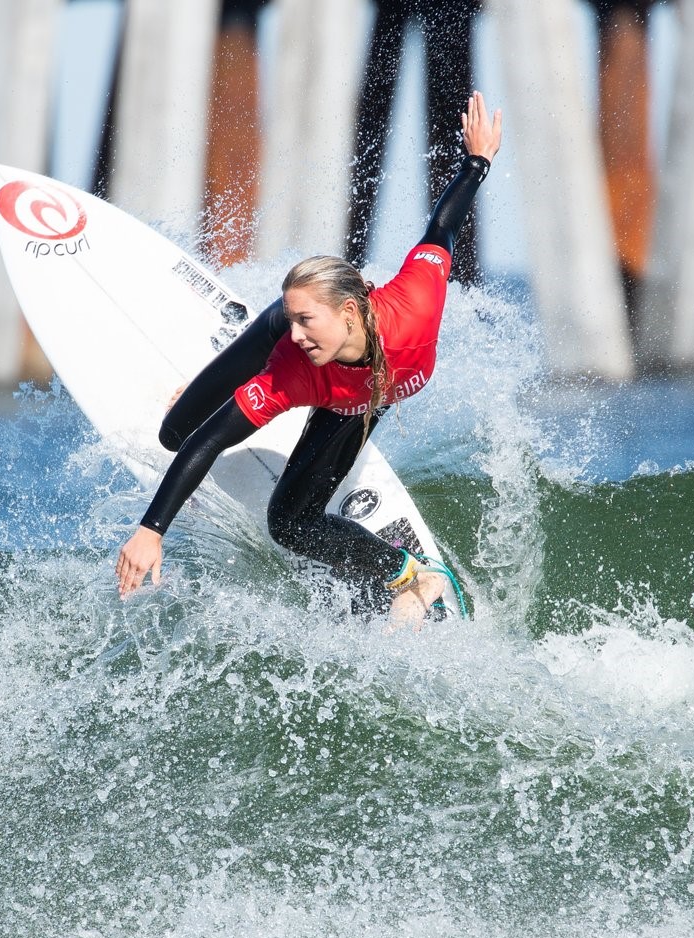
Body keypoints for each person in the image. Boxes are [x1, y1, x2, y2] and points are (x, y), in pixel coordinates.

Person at [117, 91, 503, 624]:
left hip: (356, 398)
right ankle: (206, 381)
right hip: (324, 374)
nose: (296, 336)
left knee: (292, 526)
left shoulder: (415, 305)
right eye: (295, 322)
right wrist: (150, 530)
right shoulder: (292, 360)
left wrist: (477, 161)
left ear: (350, 311)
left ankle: (410, 574)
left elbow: (443, 228)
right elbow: (212, 438)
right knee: (177, 432)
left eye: (307, 322)